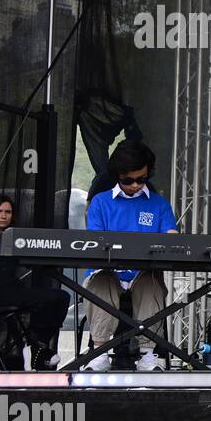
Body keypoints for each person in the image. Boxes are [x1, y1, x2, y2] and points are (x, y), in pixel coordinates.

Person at [83, 141, 179, 371]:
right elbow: (95, 243)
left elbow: (172, 238)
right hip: (108, 273)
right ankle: (100, 353)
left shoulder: (159, 204)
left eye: (142, 179)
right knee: (102, 280)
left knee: (151, 281)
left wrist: (172, 236)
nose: (135, 185)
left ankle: (148, 355)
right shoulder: (100, 202)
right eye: (128, 180)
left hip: (142, 275)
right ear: (118, 175)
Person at [0, 194, 70, 370]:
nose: (3, 215)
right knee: (50, 298)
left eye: (8, 211)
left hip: (9, 292)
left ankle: (38, 345)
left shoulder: (16, 238)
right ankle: (35, 347)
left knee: (61, 297)